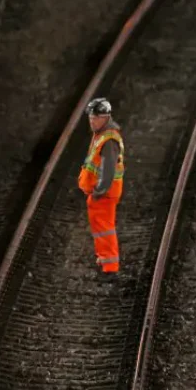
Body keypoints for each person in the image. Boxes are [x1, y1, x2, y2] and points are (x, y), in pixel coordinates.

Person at [77, 98, 125, 279]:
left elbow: (108, 170)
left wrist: (99, 191)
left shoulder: (109, 140)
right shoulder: (101, 135)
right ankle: (104, 259)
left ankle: (110, 267)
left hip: (105, 193)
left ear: (106, 118)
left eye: (95, 118)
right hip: (101, 193)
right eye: (90, 118)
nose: (92, 121)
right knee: (100, 227)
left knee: (105, 228)